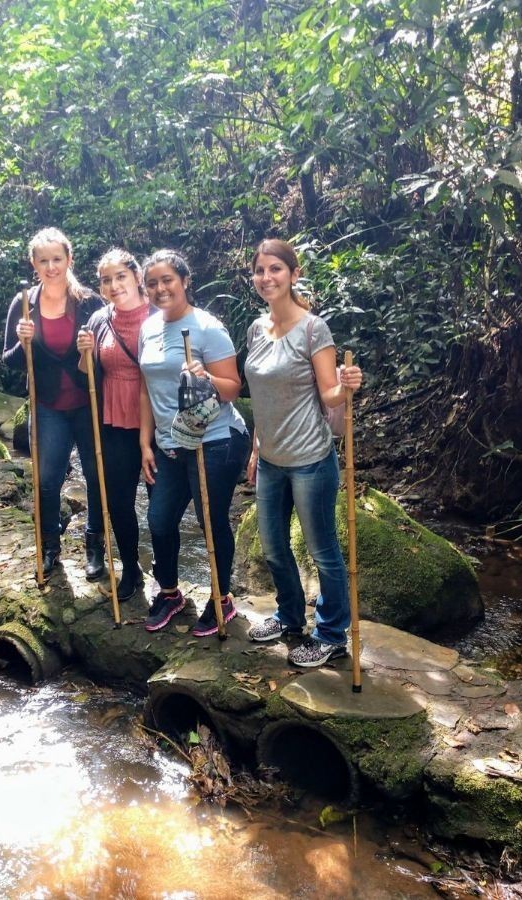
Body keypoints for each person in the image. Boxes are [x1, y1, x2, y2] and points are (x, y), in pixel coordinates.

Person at [242, 238, 364, 668]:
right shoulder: (258, 329)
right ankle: (289, 616)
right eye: (259, 270)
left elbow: (329, 395)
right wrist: (257, 445)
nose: (266, 277)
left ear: (293, 274)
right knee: (274, 547)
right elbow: (262, 395)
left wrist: (346, 385)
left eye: (275, 269)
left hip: (311, 459)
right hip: (272, 459)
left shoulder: (314, 329)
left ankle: (330, 634)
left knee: (322, 550)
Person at [137, 249, 251, 635]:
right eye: (151, 283)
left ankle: (222, 598)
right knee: (159, 519)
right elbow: (145, 389)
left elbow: (233, 387)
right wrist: (145, 442)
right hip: (169, 442)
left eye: (167, 280)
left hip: (215, 439)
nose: (159, 288)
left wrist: (204, 376)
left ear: (185, 281)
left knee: (209, 519)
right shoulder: (148, 328)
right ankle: (169, 593)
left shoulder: (207, 327)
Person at [2, 227, 105, 578]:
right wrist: (22, 343)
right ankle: (49, 548)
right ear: (34, 263)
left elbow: (108, 355)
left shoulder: (89, 301)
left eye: (57, 259)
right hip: (47, 404)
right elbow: (10, 360)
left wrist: (91, 349)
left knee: (95, 476)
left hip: (88, 402)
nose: (51, 266)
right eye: (43, 260)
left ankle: (95, 548)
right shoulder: (24, 302)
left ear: (69, 259)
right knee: (47, 480)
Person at [76, 249, 155, 602]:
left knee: (160, 506)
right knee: (119, 503)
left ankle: (167, 579)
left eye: (120, 276)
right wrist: (83, 352)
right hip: (113, 421)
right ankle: (131, 570)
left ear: (136, 276)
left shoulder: (160, 315)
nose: (113, 285)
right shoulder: (98, 320)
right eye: (106, 280)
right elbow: (86, 372)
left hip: (156, 422)